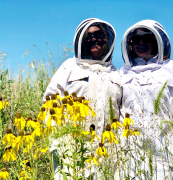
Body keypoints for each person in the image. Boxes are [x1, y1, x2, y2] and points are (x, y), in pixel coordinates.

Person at [43, 18, 122, 179]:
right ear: (81, 41)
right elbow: (49, 103)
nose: (93, 39)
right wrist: (58, 144)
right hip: (73, 151)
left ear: (107, 39)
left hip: (106, 153)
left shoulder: (116, 73)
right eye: (88, 36)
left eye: (98, 35)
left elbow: (121, 111)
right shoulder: (69, 67)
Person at [120, 20, 173, 179]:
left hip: (165, 150)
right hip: (130, 153)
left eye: (146, 38)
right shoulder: (122, 73)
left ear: (157, 41)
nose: (141, 43)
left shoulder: (170, 69)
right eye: (136, 40)